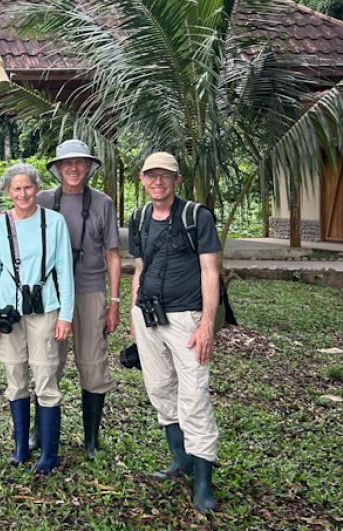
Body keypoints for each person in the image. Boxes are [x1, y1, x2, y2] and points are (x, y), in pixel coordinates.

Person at [129, 152, 220, 512]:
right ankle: (182, 461)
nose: (158, 182)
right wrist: (134, 319)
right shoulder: (138, 219)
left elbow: (210, 272)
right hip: (148, 317)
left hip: (187, 319)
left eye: (165, 176)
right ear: (142, 179)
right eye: (152, 176)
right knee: (161, 391)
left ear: (176, 180)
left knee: (194, 396)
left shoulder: (196, 216)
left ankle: (203, 481)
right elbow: (139, 268)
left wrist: (207, 325)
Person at [0, 163, 74, 475]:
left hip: (45, 308)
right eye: (16, 189)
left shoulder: (54, 222)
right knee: (14, 376)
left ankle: (49, 452)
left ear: (36, 188)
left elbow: (65, 270)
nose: (23, 193)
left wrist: (66, 315)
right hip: (8, 311)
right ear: (8, 192)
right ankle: (21, 446)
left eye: (28, 187)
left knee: (46, 378)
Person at [36, 139, 121, 458]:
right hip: (50, 294)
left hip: (89, 291)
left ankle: (91, 439)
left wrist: (113, 302)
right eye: (67, 163)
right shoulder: (43, 200)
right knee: (47, 362)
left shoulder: (102, 203)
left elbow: (112, 255)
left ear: (88, 167)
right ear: (57, 169)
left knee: (93, 363)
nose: (73, 168)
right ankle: (39, 432)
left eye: (80, 163)